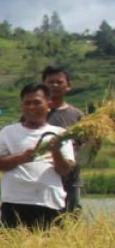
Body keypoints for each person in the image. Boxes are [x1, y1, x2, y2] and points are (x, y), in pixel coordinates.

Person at [0, 83, 75, 231]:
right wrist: (21, 158)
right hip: (15, 202)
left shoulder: (60, 134)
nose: (31, 107)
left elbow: (65, 170)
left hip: (49, 202)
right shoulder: (8, 132)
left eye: (37, 102)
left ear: (49, 105)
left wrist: (56, 151)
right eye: (27, 103)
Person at [42, 65, 84, 213]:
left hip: (71, 180)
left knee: (72, 221)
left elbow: (85, 148)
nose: (54, 85)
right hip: (43, 179)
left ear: (68, 86)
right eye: (50, 82)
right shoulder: (35, 114)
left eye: (59, 82)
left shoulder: (77, 116)